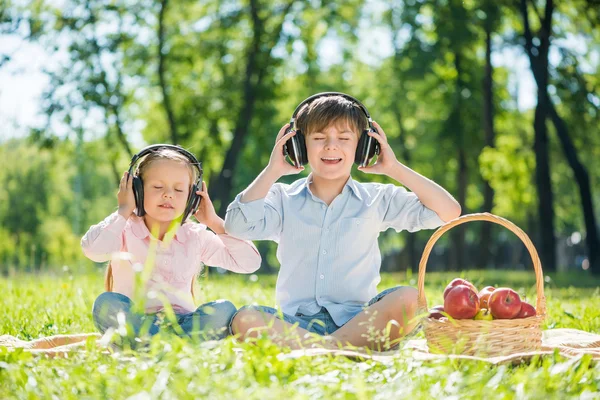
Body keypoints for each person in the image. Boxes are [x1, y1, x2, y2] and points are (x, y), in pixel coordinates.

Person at [224, 93, 461, 350]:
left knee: (410, 300)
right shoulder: (282, 198)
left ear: (362, 147)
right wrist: (272, 170)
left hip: (360, 321)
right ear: (299, 147)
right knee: (244, 317)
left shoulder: (377, 199)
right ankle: (335, 349)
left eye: (344, 138)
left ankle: (320, 349)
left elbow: (448, 212)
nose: (330, 146)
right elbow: (235, 225)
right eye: (318, 138)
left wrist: (394, 168)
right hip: (297, 324)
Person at [82, 144, 261, 344]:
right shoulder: (124, 229)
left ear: (192, 198)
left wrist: (214, 222)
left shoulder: (195, 236)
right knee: (106, 303)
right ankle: (174, 346)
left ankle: (152, 346)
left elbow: (250, 263)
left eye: (178, 189)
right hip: (137, 319)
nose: (168, 194)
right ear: (137, 190)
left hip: (184, 322)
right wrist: (123, 211)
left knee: (224, 309)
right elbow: (93, 250)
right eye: (158, 187)